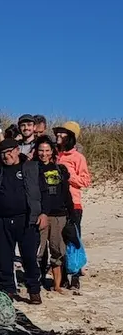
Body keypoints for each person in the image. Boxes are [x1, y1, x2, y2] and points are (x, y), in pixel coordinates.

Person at [0, 139, 45, 304]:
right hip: (3, 220)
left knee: (29, 258)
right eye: (3, 153)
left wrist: (43, 213)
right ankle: (8, 290)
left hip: (26, 220)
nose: (6, 156)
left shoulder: (32, 168)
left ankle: (34, 290)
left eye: (9, 151)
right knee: (4, 258)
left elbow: (43, 192)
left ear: (17, 150)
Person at [34, 137, 74, 294]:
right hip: (40, 215)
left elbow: (66, 194)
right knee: (38, 250)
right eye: (41, 150)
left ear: (52, 152)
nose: (44, 154)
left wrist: (72, 215)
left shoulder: (60, 169)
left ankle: (57, 285)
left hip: (59, 215)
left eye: (47, 150)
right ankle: (36, 281)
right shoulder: (32, 169)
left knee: (57, 250)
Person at [54, 121, 90, 289]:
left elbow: (85, 180)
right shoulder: (54, 154)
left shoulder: (78, 157)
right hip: (56, 204)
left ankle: (75, 277)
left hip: (73, 204)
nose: (58, 136)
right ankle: (62, 278)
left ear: (71, 137)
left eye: (63, 134)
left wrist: (69, 176)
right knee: (58, 241)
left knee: (73, 240)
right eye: (57, 134)